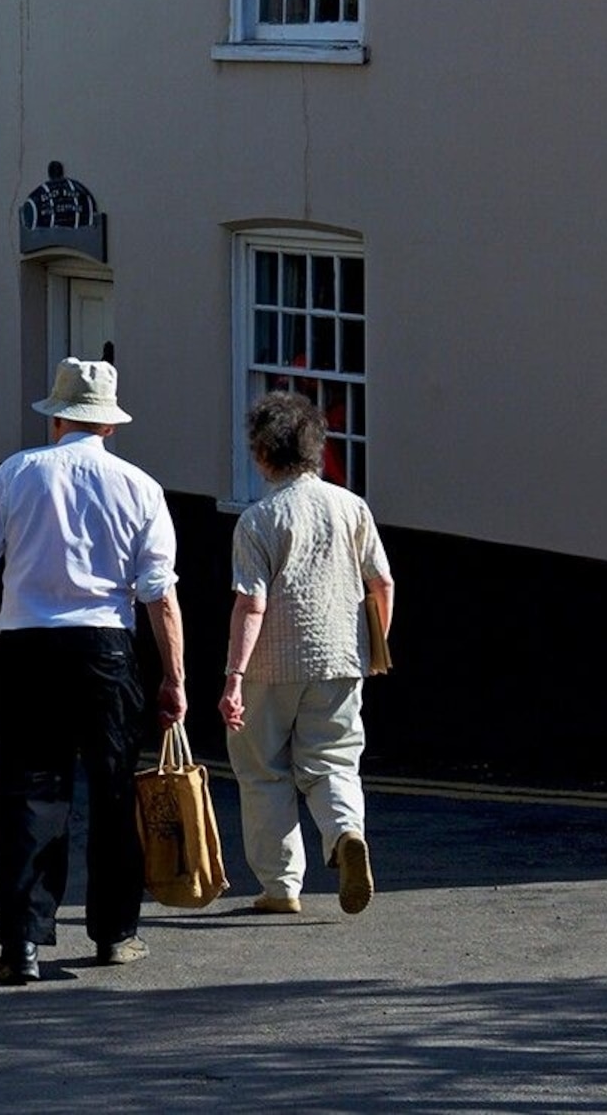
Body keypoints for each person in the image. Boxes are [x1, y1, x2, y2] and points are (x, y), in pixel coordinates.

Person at [0, 357, 186, 985]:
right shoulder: (141, 488)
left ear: (56, 418)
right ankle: (114, 935)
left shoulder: (18, 473)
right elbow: (159, 594)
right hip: (106, 653)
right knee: (112, 795)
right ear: (108, 425)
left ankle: (21, 945)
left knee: (28, 795)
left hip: (25, 651)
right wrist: (173, 679)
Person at [219, 388, 394, 917]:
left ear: (263, 453)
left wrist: (233, 677)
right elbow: (381, 584)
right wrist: (373, 648)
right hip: (342, 657)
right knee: (333, 762)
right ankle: (344, 832)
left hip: (271, 665)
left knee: (263, 771)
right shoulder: (351, 507)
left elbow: (251, 604)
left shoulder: (257, 520)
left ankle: (280, 887)